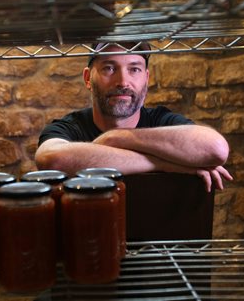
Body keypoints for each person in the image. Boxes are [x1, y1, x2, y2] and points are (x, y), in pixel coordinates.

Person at [35, 42, 233, 192]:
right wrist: (163, 164)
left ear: (146, 78)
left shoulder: (161, 121)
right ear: (88, 78)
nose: (122, 81)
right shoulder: (69, 127)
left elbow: (215, 148)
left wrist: (116, 138)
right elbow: (51, 160)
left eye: (134, 69)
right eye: (109, 68)